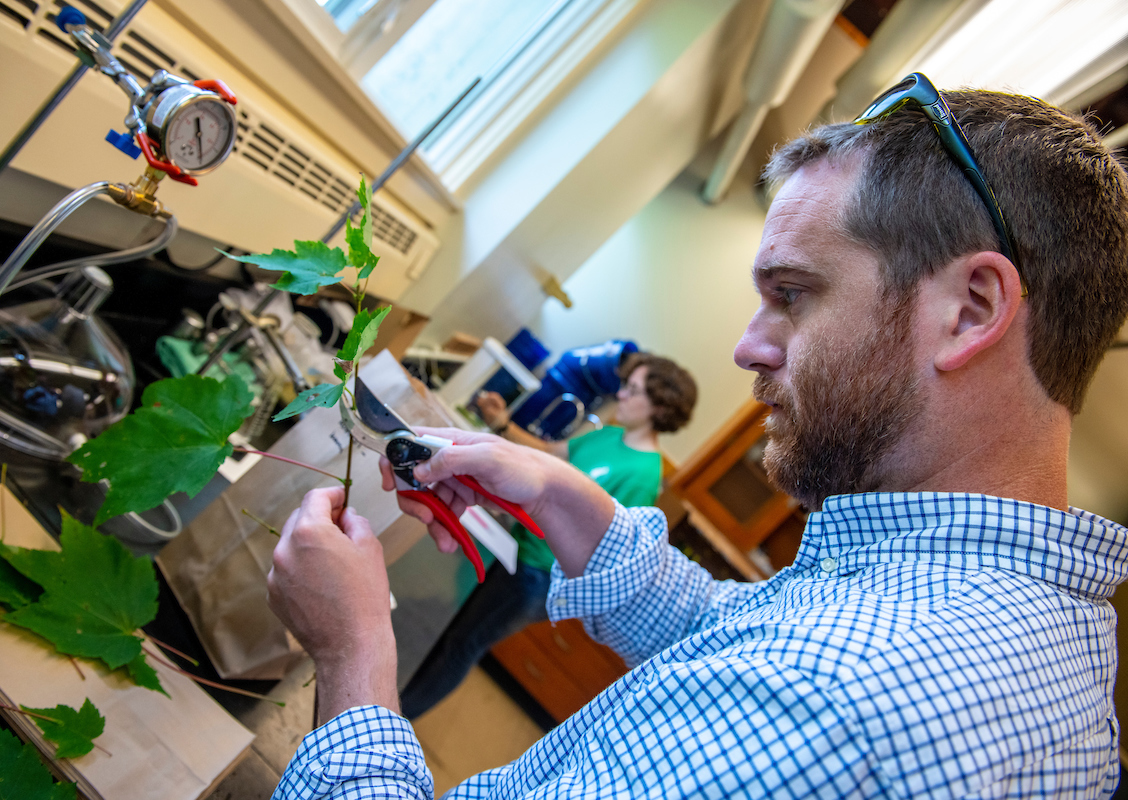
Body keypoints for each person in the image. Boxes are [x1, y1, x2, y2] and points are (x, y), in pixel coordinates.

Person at [265, 78, 1128, 798]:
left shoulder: (844, 701)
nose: (748, 346)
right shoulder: (1003, 624)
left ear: (969, 310)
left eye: (792, 293)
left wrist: (353, 653)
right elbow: (729, 628)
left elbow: (786, 672)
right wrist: (565, 495)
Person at [398, 352, 698, 720]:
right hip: (521, 552)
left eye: (633, 390)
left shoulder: (643, 474)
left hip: (539, 576)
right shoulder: (611, 435)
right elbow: (547, 456)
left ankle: (399, 719)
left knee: (464, 644)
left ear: (659, 407)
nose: (620, 394)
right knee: (458, 631)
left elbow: (606, 550)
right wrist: (502, 423)